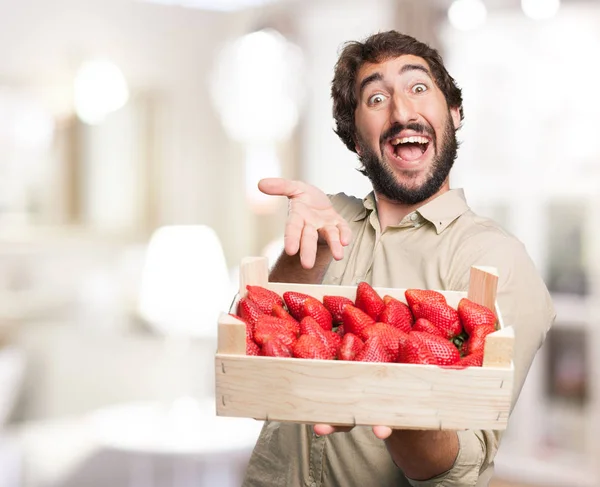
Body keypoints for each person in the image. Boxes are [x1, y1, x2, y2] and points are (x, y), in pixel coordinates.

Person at [242, 30, 555, 487]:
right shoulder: (326, 221)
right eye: (375, 98)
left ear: (454, 113)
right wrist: (305, 257)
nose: (403, 111)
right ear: (355, 139)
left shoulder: (496, 260)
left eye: (419, 88)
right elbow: (263, 364)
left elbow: (463, 468)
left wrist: (397, 408)